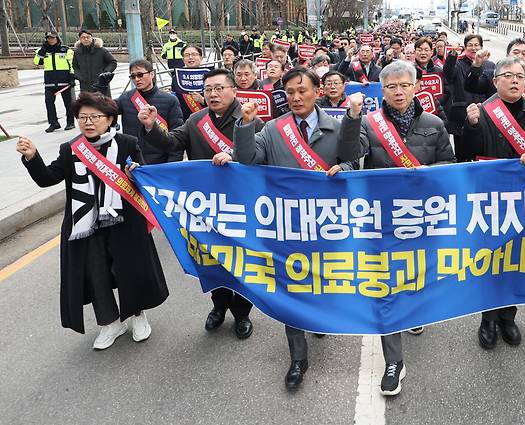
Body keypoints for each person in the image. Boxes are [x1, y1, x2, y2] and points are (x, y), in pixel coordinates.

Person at [226, 67, 358, 390]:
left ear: (317, 92)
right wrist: (245, 124)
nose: (296, 98)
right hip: (285, 225)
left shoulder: (335, 126)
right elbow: (247, 159)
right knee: (291, 288)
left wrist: (345, 168)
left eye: (303, 91)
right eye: (290, 93)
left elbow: (354, 160)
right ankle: (298, 358)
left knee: (322, 279)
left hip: (326, 224)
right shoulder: (273, 129)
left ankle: (320, 316)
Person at [337, 60, 455, 396]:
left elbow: (449, 164)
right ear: (382, 90)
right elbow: (350, 152)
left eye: (405, 85)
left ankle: (415, 311)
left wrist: (428, 175)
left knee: (418, 276)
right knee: (384, 288)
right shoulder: (370, 125)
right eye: (391, 86)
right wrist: (352, 117)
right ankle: (394, 362)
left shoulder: (434, 124)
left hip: (421, 219)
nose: (399, 91)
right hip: (382, 221)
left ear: (416, 87)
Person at [16, 91, 169, 349]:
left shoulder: (128, 143)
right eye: (82, 117)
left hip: (124, 221)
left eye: (95, 117)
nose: (88, 122)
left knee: (128, 269)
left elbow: (143, 180)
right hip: (85, 224)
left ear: (110, 119)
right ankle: (109, 323)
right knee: (95, 274)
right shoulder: (70, 149)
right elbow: (47, 178)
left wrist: (135, 174)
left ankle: (136, 315)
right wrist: (32, 157)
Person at [138, 69, 264, 337]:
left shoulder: (251, 118)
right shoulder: (196, 120)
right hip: (204, 208)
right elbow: (171, 142)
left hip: (241, 206)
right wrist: (151, 126)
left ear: (234, 91)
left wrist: (233, 154)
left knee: (242, 261)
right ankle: (218, 307)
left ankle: (242, 313)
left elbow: (261, 158)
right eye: (208, 89)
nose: (213, 94)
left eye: (219, 88)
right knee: (211, 258)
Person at [462, 56, 525, 349]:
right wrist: (472, 126)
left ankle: (508, 316)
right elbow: (466, 157)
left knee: (516, 260)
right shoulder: (483, 113)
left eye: (520, 76)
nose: (515, 81)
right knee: (489, 260)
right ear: (495, 80)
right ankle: (488, 317)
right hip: (489, 201)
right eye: (509, 75)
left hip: (524, 202)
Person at [115, 59, 184, 164]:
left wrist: (172, 166)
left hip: (160, 163)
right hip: (133, 163)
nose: (137, 79)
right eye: (133, 76)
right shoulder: (126, 98)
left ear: (152, 74)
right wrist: (102, 87)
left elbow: (177, 137)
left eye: (140, 75)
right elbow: (104, 110)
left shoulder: (170, 100)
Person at [443, 34, 495, 162]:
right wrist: (452, 54)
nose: (473, 48)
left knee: (482, 151)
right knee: (462, 154)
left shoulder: (490, 65)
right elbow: (448, 73)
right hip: (461, 114)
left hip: (484, 113)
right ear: (465, 47)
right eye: (470, 45)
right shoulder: (458, 63)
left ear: (481, 47)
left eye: (476, 45)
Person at [464, 38, 525, 111]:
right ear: (507, 55)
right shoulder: (492, 76)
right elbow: (470, 86)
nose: (520, 56)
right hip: (496, 125)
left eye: (524, 53)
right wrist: (476, 65)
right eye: (516, 52)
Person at [33, 31, 75, 133]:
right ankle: (54, 123)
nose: (50, 40)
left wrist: (72, 77)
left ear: (57, 38)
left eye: (52, 38)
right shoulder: (42, 50)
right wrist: (42, 51)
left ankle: (70, 122)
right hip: (49, 82)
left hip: (64, 81)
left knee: (68, 103)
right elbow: (37, 62)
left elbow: (72, 64)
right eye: (48, 38)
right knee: (49, 102)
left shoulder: (65, 50)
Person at [72, 29, 117, 97]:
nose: (86, 39)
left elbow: (112, 62)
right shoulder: (77, 52)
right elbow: (74, 66)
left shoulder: (101, 50)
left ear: (92, 38)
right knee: (88, 105)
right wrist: (79, 76)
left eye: (88, 37)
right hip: (85, 86)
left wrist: (105, 72)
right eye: (83, 37)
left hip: (101, 84)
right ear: (80, 39)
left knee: (103, 105)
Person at [172, 45, 210, 121]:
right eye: (187, 55)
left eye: (194, 54)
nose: (190, 57)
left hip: (206, 119)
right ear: (183, 59)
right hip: (184, 119)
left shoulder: (210, 76)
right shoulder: (176, 77)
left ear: (201, 57)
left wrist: (203, 100)